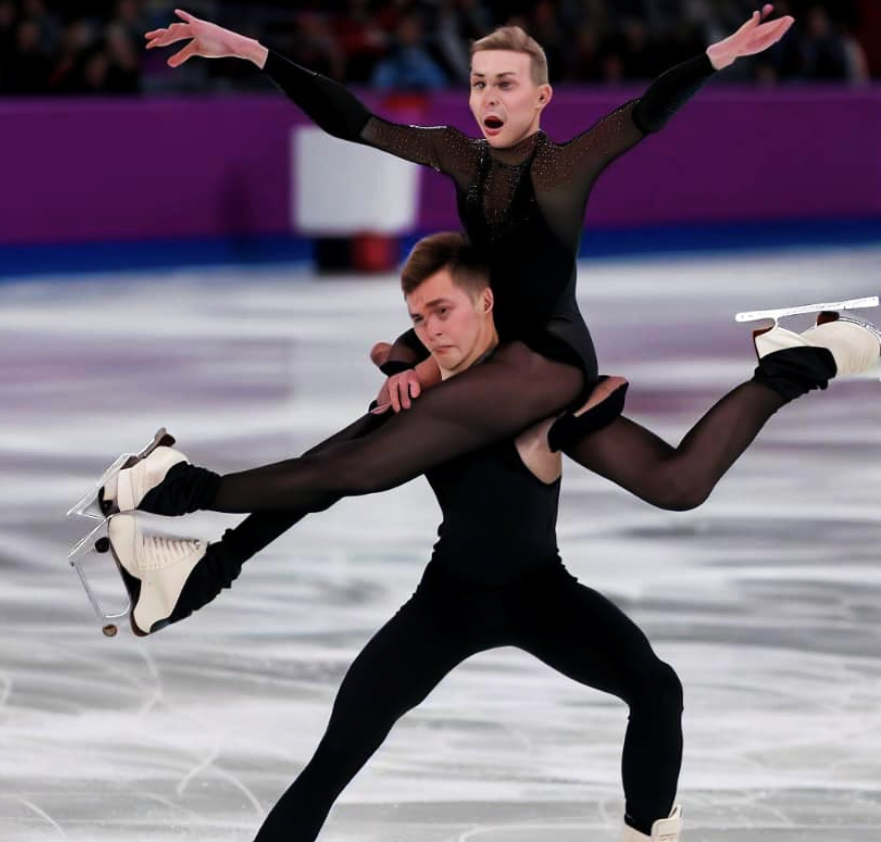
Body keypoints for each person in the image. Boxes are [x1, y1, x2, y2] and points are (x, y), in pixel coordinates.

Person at [129, 6, 855, 594]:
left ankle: (188, 489)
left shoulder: (566, 165)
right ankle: (790, 365)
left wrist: (716, 57)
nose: (488, 98)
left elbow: (646, 111)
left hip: (548, 361)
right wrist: (255, 52)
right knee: (677, 483)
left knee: (367, 461)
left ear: (540, 97)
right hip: (491, 350)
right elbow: (353, 121)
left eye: (506, 84)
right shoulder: (456, 154)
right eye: (479, 83)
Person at [108, 233, 733, 842]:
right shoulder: (425, 397)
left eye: (443, 311)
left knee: (656, 688)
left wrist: (570, 411)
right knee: (344, 745)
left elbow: (605, 390)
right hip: (448, 601)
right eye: (418, 317)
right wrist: (404, 365)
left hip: (540, 593)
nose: (431, 330)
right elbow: (328, 473)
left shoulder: (530, 384)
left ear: (485, 302)